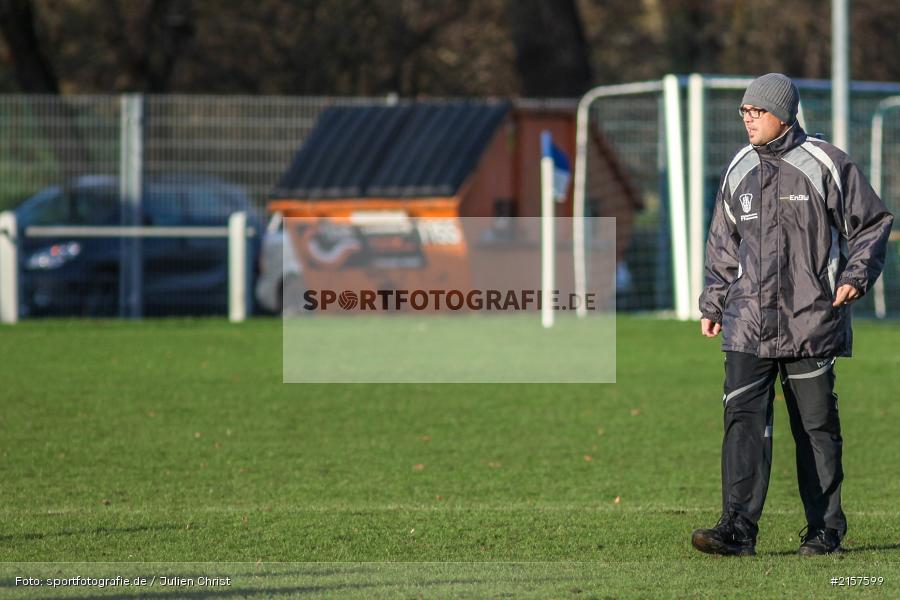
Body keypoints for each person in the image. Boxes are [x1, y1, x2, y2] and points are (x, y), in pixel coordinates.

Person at [692, 73, 894, 557]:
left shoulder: (827, 163)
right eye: (744, 112)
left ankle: (825, 532)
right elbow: (723, 243)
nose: (748, 120)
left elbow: (872, 223)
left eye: (756, 112)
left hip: (810, 320)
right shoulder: (738, 169)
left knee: (816, 428)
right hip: (746, 324)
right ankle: (736, 530)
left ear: (784, 113)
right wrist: (714, 300)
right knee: (742, 421)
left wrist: (854, 276)